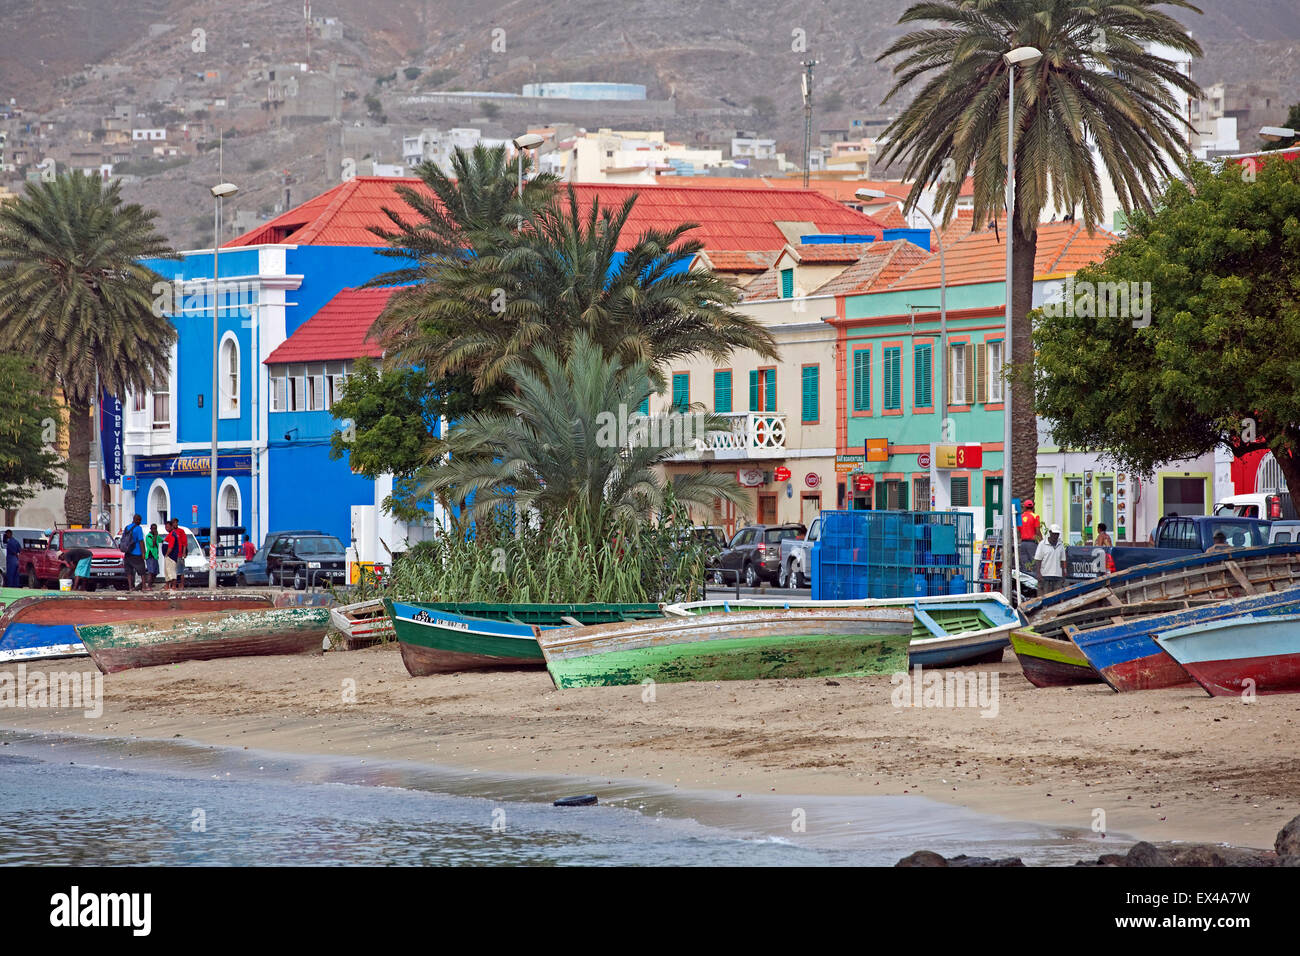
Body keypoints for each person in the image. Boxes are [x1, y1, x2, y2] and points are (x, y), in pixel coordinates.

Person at [1034, 523, 1068, 594]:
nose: (1056, 536)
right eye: (1054, 533)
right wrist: (1038, 573)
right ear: (1050, 532)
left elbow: (1063, 560)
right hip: (1045, 575)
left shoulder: (1060, 545)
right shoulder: (1042, 544)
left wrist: (1064, 573)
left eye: (1057, 534)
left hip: (1057, 576)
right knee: (1044, 597)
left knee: (1056, 598)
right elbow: (1038, 560)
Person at [121, 513, 146, 591]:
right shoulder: (138, 528)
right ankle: (144, 586)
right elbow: (141, 541)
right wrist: (143, 553)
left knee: (129, 571)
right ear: (136, 520)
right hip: (136, 553)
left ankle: (130, 587)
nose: (140, 522)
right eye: (139, 520)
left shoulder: (127, 527)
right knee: (142, 571)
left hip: (128, 552)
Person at [1018, 499, 1041, 573]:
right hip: (1032, 544)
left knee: (1024, 563)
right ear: (1033, 507)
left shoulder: (1020, 517)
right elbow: (1037, 531)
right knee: (1033, 562)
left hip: (1023, 543)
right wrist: (1042, 541)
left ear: (1024, 507)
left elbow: (1018, 530)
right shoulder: (1035, 516)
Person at [143, 522, 162, 591]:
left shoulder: (156, 536)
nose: (154, 530)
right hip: (150, 556)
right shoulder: (149, 536)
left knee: (155, 572)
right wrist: (155, 536)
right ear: (151, 529)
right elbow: (153, 544)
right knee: (151, 571)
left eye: (155, 529)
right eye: (153, 529)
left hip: (155, 556)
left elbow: (162, 540)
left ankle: (151, 584)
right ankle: (148, 586)